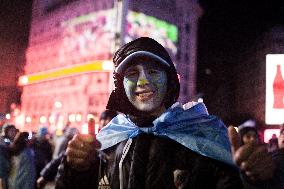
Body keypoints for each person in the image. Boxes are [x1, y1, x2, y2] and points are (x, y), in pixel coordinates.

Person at [55, 37, 244, 189]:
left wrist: (255, 180)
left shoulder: (203, 137)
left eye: (153, 71)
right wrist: (74, 170)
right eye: (132, 73)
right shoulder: (105, 143)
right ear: (121, 86)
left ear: (169, 80)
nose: (143, 81)